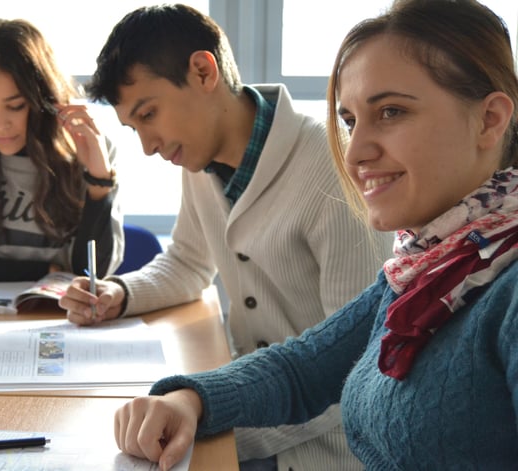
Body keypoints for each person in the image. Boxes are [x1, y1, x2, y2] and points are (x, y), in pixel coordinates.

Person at [112, 0, 518, 469]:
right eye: (349, 121)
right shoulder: (429, 265)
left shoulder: (502, 292)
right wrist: (191, 399)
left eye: (390, 111)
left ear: (490, 120)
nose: (355, 152)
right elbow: (303, 369)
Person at [59, 4, 389, 469]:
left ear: (202, 71)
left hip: (320, 449)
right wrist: (120, 292)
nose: (148, 146)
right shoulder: (198, 160)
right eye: (134, 129)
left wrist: (218, 426)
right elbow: (189, 263)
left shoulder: (330, 170)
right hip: (246, 408)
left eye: (149, 114)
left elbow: (352, 368)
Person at [0, 19, 124, 283]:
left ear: (42, 101)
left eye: (16, 106)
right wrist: (47, 272)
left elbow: (91, 274)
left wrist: (99, 182)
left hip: (62, 316)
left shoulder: (87, 149)